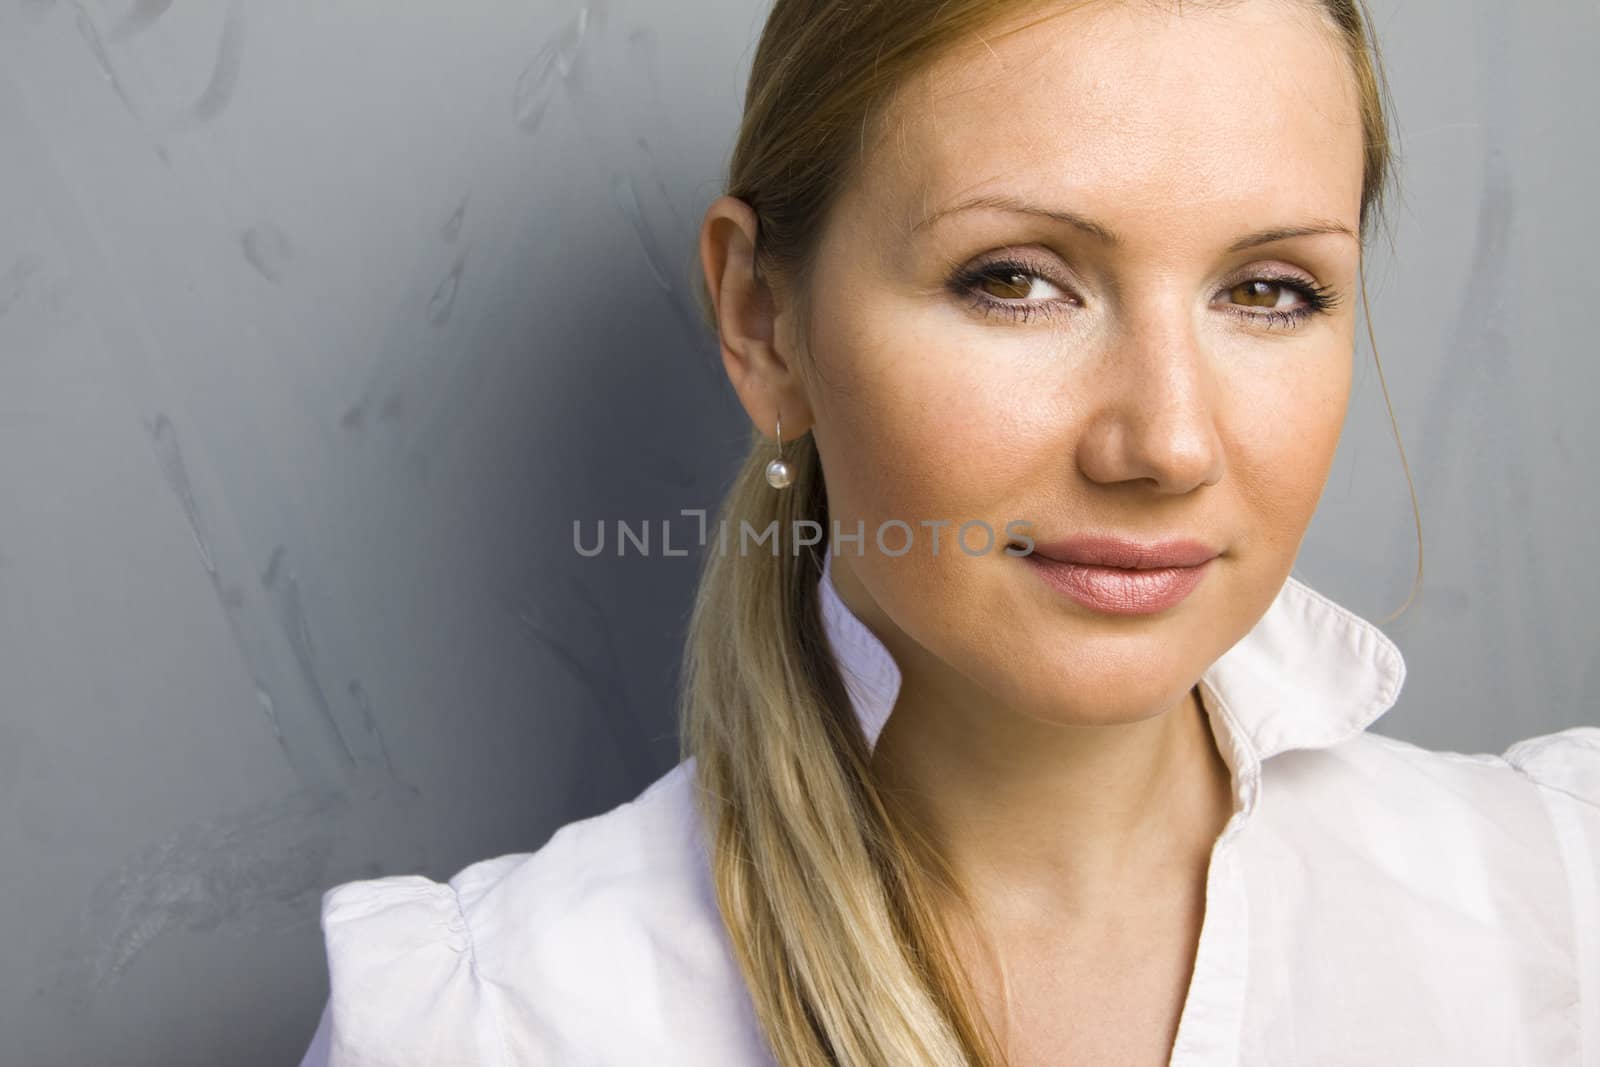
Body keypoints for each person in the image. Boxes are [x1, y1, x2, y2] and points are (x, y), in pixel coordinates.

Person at [296, 1, 1600, 1064]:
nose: (1168, 444)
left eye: (1268, 291)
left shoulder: (1562, 906)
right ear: (764, 321)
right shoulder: (498, 1028)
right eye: (1016, 279)